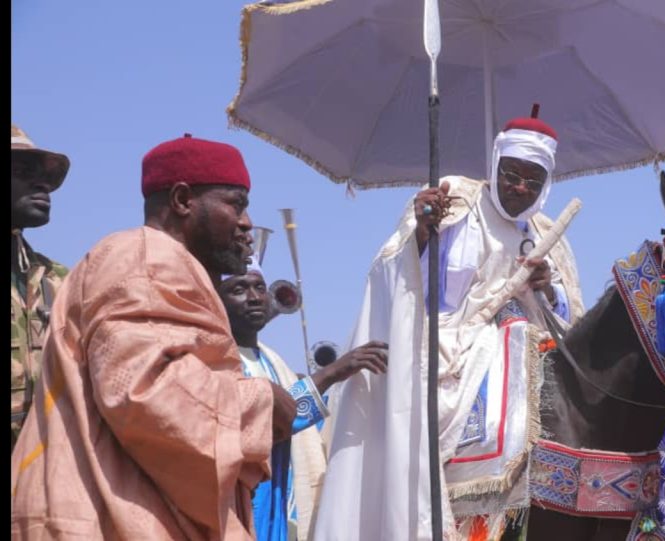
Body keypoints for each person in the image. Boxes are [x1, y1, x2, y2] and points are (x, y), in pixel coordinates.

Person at [314, 108, 585, 540]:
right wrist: (423, 232)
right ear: (495, 163)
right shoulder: (453, 200)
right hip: (445, 348)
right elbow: (397, 276)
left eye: (532, 181)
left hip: (524, 349)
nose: (518, 188)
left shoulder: (549, 231)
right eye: (511, 173)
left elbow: (572, 318)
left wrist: (546, 289)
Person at [11, 133, 297, 539]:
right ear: (183, 200)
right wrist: (262, 402)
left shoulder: (163, 266)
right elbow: (144, 392)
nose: (246, 222)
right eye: (236, 203)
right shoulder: (145, 260)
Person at [218, 248, 388, 541]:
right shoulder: (218, 359)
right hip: (240, 501)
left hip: (277, 505)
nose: (255, 297)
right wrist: (332, 372)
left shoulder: (272, 361)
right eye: (239, 289)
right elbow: (265, 422)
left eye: (259, 287)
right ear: (216, 300)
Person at [11, 123, 71, 449]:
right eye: (23, 171)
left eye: (46, 177)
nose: (43, 185)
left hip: (39, 479)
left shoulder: (60, 281)